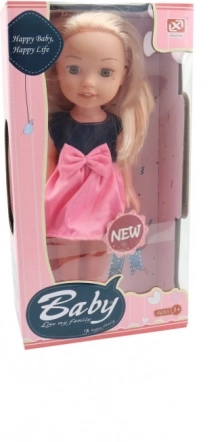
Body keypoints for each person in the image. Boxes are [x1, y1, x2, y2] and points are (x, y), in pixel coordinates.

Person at [45, 11, 153, 281]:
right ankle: (69, 289)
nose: (89, 83)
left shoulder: (115, 124)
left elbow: (122, 158)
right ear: (57, 69)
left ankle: (94, 289)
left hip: (103, 194)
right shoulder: (57, 123)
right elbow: (49, 160)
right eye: (73, 69)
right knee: (66, 244)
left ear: (123, 75)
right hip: (67, 194)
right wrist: (42, 190)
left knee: (99, 243)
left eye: (106, 72)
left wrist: (128, 187)